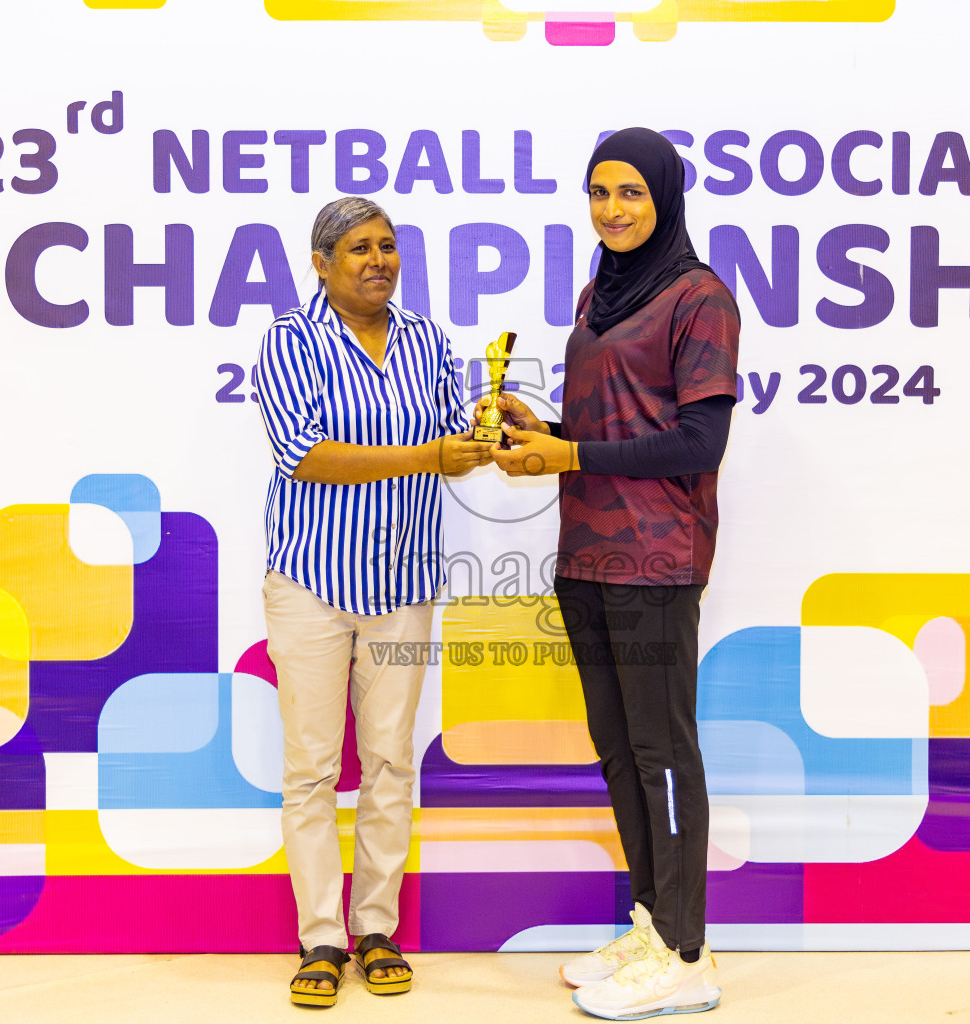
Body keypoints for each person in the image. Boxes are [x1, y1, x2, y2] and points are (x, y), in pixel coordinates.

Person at [485, 128, 740, 1021]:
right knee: (621, 753)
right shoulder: (600, 293)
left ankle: (688, 954)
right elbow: (614, 420)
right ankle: (652, 922)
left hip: (657, 559)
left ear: (665, 197)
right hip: (586, 553)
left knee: (665, 754)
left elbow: (699, 440)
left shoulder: (699, 297)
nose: (613, 209)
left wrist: (570, 451)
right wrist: (539, 423)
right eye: (599, 192)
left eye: (631, 192)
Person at [256, 197, 493, 1007]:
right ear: (320, 263)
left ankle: (376, 927)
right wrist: (428, 453)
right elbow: (307, 455)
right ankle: (320, 938)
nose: (378, 261)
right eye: (358, 248)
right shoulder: (290, 341)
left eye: (388, 246)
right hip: (312, 584)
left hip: (402, 586)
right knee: (314, 768)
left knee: (391, 760)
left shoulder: (427, 339)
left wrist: (483, 437)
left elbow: (448, 437)